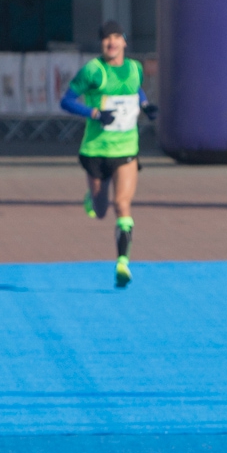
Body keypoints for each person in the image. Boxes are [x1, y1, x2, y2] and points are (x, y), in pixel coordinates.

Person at [59, 20, 155, 288]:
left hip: (126, 149)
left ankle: (122, 262)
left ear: (124, 41)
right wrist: (95, 114)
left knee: (122, 204)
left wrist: (146, 105)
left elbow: (135, 88)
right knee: (101, 210)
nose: (111, 42)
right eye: (106, 38)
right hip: (96, 150)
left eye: (116, 37)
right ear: (102, 43)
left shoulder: (135, 68)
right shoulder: (93, 71)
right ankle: (92, 198)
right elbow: (65, 101)